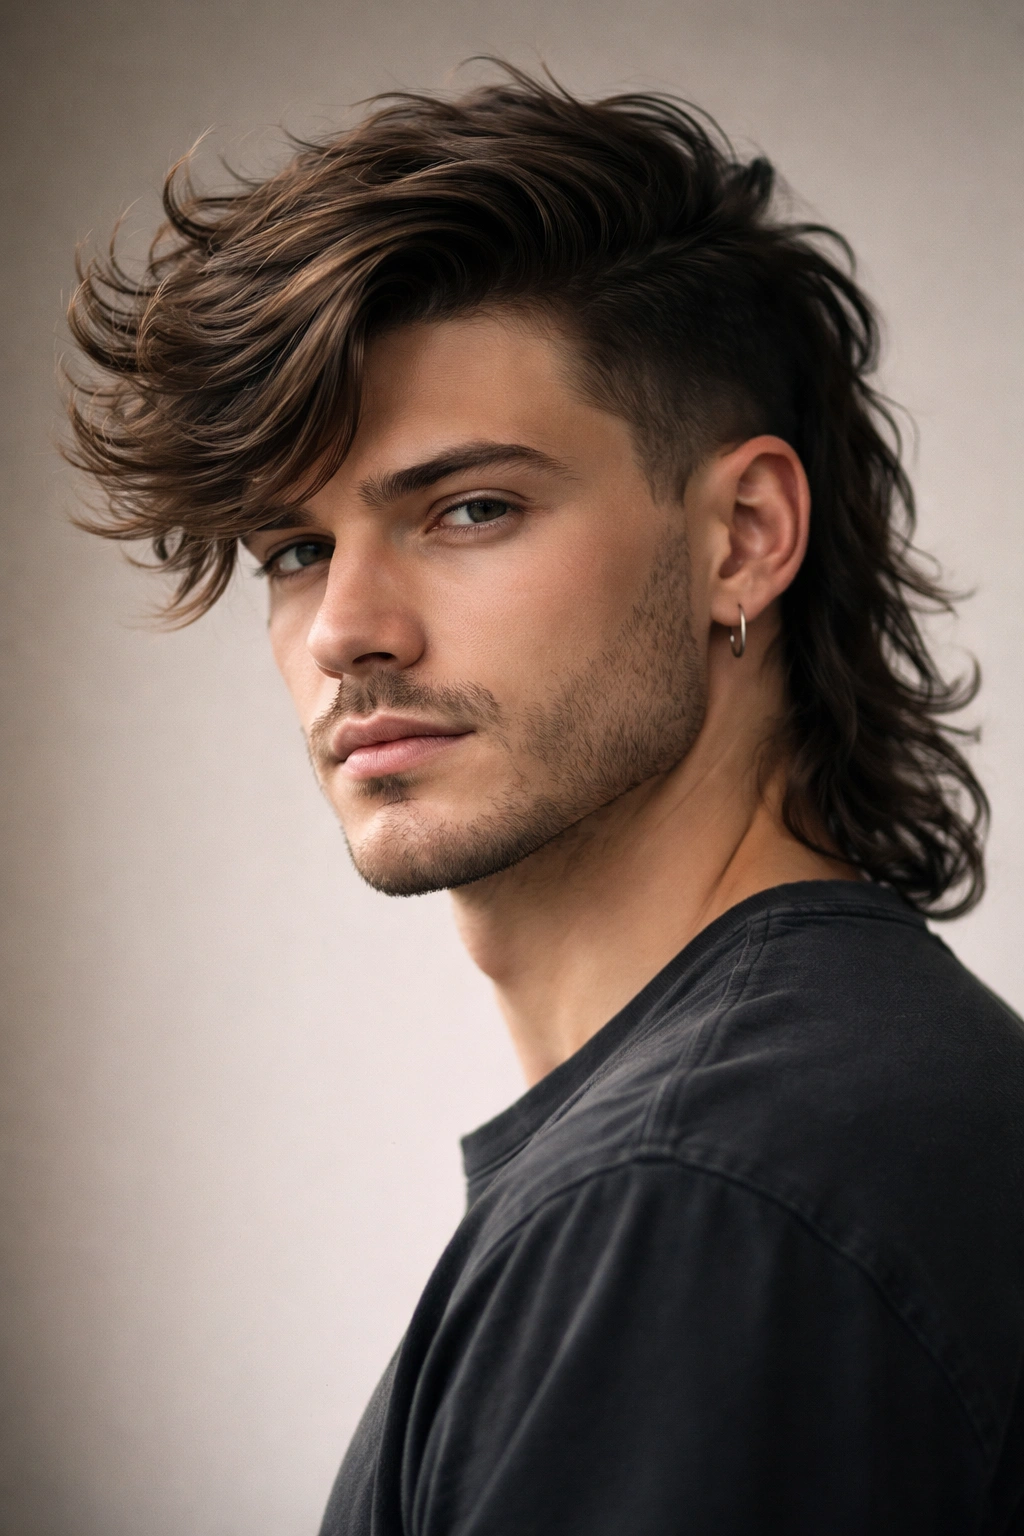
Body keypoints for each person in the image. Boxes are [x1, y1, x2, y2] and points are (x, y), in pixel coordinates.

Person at [64, 65, 1024, 1535]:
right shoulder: (809, 1113)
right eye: (294, 552)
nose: (344, 631)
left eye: (467, 509)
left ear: (742, 538)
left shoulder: (703, 1199)